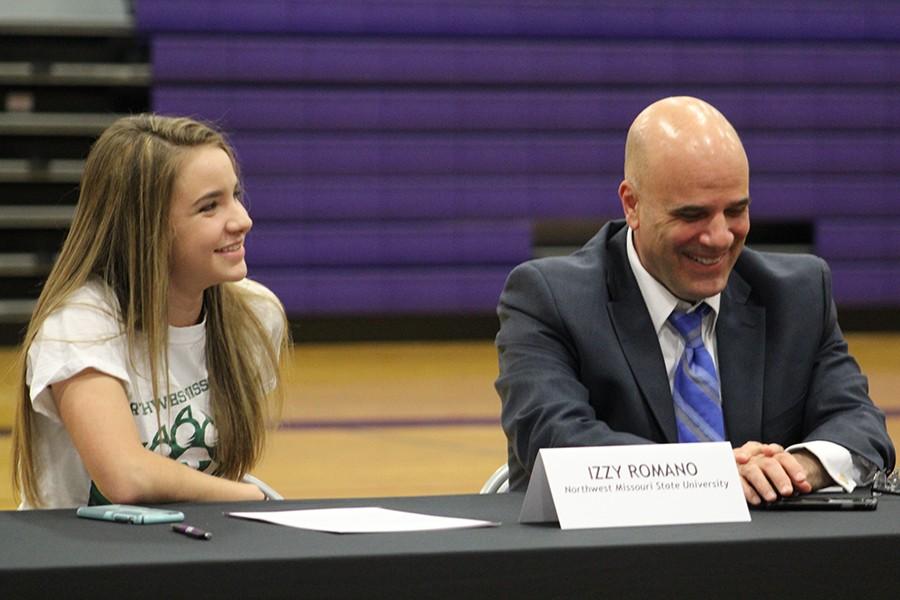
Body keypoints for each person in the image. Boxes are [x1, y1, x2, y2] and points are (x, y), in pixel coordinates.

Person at [495, 96, 895, 504]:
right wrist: (713, 476)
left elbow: (861, 426)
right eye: (692, 215)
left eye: (736, 211)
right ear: (632, 204)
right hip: (609, 561)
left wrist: (793, 469)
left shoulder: (798, 294)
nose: (719, 237)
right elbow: (558, 444)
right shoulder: (549, 300)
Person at [12, 114, 289, 509]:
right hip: (83, 562)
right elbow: (126, 476)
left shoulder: (256, 314)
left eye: (235, 195)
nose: (243, 220)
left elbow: (206, 477)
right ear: (146, 228)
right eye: (210, 206)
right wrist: (253, 495)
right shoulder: (79, 325)